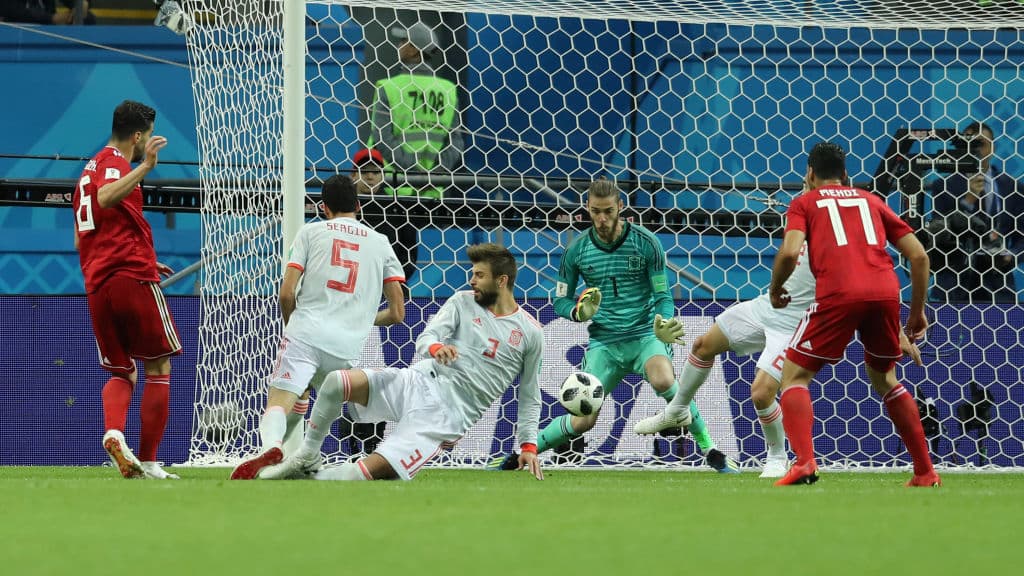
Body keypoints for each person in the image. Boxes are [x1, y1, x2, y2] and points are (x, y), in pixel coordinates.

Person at [493, 179, 739, 472]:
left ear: (620, 207)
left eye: (608, 211)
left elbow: (663, 295)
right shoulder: (577, 251)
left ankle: (710, 449)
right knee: (583, 419)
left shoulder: (647, 243)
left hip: (645, 335)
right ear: (587, 209)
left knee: (663, 379)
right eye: (596, 211)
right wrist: (577, 313)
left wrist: (663, 321)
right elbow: (560, 300)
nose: (602, 219)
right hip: (604, 343)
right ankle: (521, 453)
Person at [262, 243, 544, 481]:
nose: (472, 281)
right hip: (419, 380)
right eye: (473, 274)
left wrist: (528, 444)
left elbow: (529, 395)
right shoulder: (462, 301)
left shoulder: (530, 332)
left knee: (361, 475)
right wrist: (435, 348)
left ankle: (313, 480)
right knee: (337, 381)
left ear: (502, 280)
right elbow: (427, 337)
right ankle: (308, 455)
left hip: (446, 416)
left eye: (479, 275)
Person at [769, 141, 939, 487]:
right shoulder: (872, 200)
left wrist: (776, 289)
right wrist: (917, 313)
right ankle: (925, 472)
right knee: (886, 379)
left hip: (839, 294)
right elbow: (919, 257)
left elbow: (789, 252)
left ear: (810, 174)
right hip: (884, 292)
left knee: (794, 377)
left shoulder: (804, 202)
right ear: (846, 175)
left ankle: (804, 463)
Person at [230, 175, 407, 480]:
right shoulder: (380, 243)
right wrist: (364, 320)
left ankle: (271, 446)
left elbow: (286, 292)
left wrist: (293, 327)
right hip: (347, 346)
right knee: (310, 396)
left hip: (307, 332)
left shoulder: (310, 233)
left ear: (323, 207)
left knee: (280, 400)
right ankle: (307, 456)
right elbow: (397, 312)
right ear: (359, 205)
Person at [631, 239, 816, 477]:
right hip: (767, 308)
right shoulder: (808, 216)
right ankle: (677, 409)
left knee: (761, 394)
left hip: (795, 325)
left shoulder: (838, 239)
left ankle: (778, 456)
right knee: (703, 346)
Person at [73, 100, 179, 479]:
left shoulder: (86, 172)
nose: (147, 142)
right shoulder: (116, 163)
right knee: (159, 365)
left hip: (98, 283)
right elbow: (106, 198)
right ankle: (150, 462)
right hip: (130, 278)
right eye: (147, 136)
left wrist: (140, 253)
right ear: (138, 136)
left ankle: (115, 433)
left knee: (122, 371)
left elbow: (81, 237)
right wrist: (147, 167)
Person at [929, 121, 1021, 303]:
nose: (975, 150)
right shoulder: (943, 186)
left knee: (999, 332)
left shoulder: (1013, 188)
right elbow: (939, 233)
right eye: (970, 144)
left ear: (993, 147)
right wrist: (968, 200)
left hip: (998, 285)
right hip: (954, 284)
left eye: (980, 144)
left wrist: (1012, 255)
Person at [369, 22, 464, 199]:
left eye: (404, 41)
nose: (399, 45)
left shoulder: (390, 87)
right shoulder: (448, 90)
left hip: (392, 188)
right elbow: (456, 142)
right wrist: (434, 175)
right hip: (432, 191)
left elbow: (381, 138)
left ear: (414, 50)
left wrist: (414, 175)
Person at [0, 1, 94, 24]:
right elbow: (13, 12)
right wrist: (52, 18)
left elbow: (74, 3)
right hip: (15, 32)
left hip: (48, 31)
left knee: (87, 18)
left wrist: (81, 3)